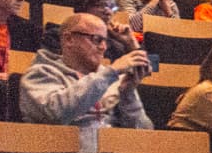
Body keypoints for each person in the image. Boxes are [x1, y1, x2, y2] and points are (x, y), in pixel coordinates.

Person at [18, 12, 153, 132]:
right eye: (96, 39)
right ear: (69, 39)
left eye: (105, 41)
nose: (103, 47)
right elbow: (54, 115)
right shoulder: (40, 74)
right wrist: (110, 72)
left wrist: (127, 94)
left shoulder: (112, 79)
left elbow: (144, 134)